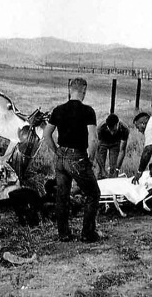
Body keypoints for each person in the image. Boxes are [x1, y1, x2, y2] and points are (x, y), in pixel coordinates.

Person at [43, 78, 101, 243]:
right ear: (84, 90)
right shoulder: (88, 111)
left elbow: (46, 134)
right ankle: (88, 234)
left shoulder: (58, 110)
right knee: (93, 193)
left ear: (70, 90)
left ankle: (63, 234)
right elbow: (93, 139)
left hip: (61, 156)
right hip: (77, 156)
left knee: (62, 195)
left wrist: (56, 151)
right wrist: (91, 159)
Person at [96, 113, 129, 179]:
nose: (112, 133)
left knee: (113, 169)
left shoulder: (124, 129)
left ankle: (112, 180)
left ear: (117, 124)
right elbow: (97, 150)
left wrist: (117, 169)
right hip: (103, 143)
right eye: (109, 130)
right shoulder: (100, 128)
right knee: (100, 170)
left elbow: (122, 151)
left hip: (115, 144)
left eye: (114, 130)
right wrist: (102, 169)